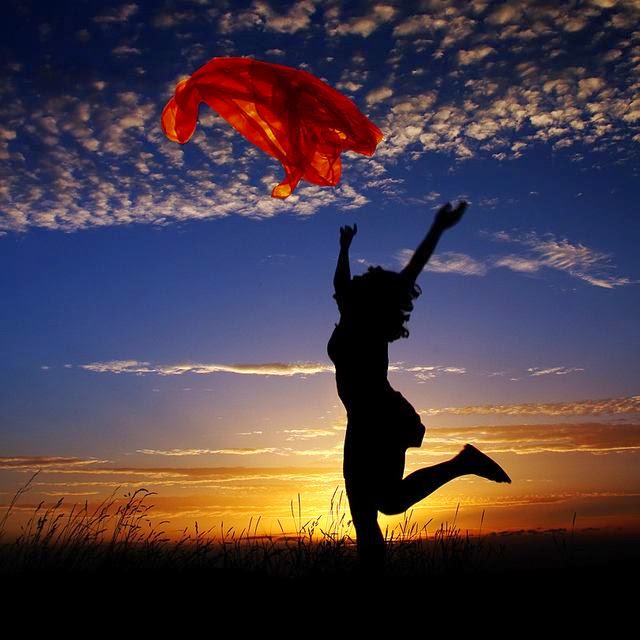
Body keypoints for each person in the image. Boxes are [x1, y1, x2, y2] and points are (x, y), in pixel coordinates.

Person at [327, 201, 511, 569]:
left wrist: (438, 228)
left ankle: (462, 463)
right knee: (369, 513)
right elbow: (340, 281)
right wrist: (344, 248)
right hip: (362, 420)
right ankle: (462, 464)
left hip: (381, 417)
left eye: (366, 280)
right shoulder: (350, 310)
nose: (359, 280)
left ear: (375, 297)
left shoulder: (369, 321)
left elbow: (413, 268)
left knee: (384, 503)